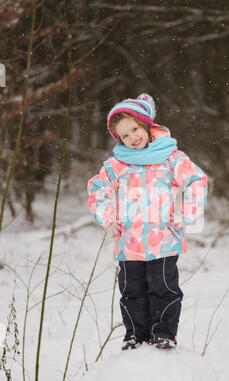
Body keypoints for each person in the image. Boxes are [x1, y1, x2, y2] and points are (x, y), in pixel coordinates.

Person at [87, 94, 208, 350]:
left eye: (134, 129)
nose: (132, 137)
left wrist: (185, 213)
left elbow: (197, 180)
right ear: (119, 140)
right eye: (124, 136)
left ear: (146, 125)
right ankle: (136, 335)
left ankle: (163, 333)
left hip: (163, 241)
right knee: (132, 293)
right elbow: (97, 188)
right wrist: (107, 219)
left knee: (163, 289)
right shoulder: (117, 164)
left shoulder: (170, 158)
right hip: (129, 244)